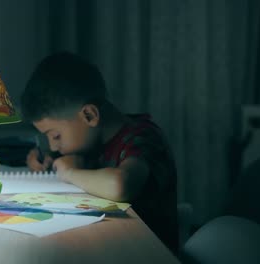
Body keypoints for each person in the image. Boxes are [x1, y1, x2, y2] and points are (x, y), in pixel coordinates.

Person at [20, 51, 178, 253]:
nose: (52, 145)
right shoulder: (92, 139)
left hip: (147, 254)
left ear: (89, 115)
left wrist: (69, 173)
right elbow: (70, 156)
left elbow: (120, 185)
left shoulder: (143, 137)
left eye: (56, 135)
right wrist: (44, 158)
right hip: (110, 247)